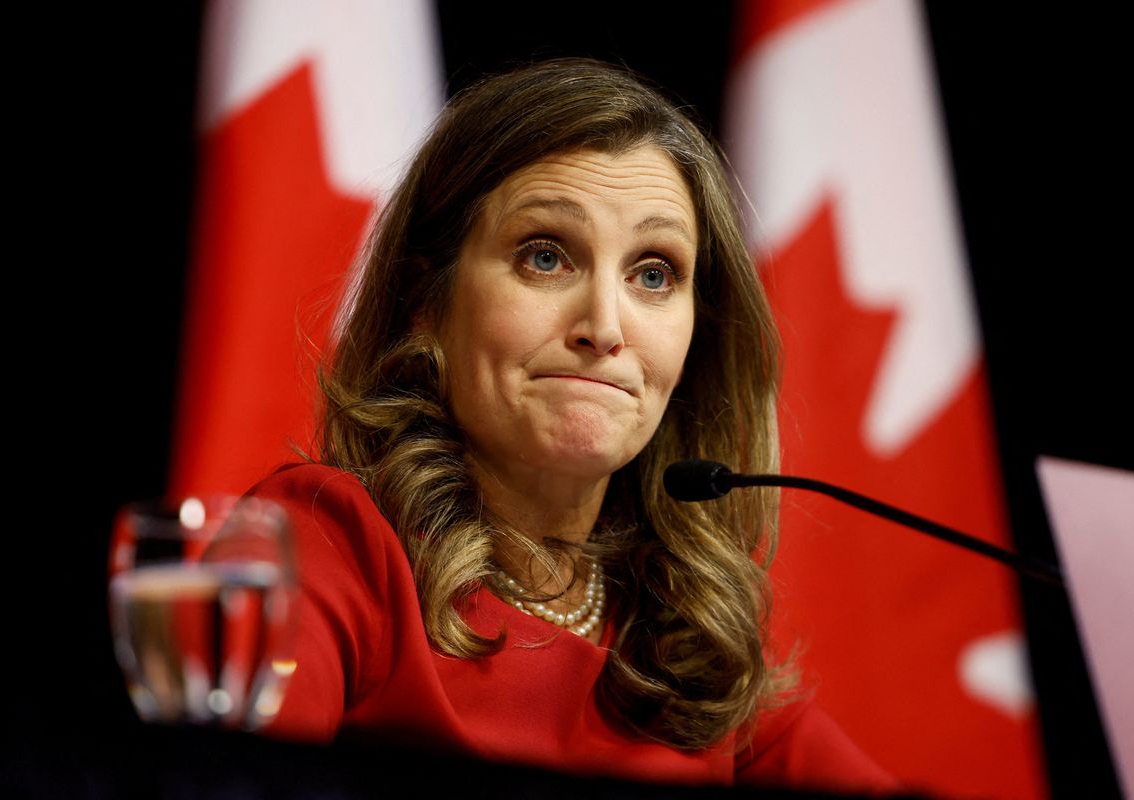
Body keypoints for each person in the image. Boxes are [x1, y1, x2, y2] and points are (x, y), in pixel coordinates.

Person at [250, 58, 895, 792]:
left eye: (653, 273)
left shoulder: (686, 642)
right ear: (424, 301)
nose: (604, 328)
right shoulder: (329, 544)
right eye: (546, 257)